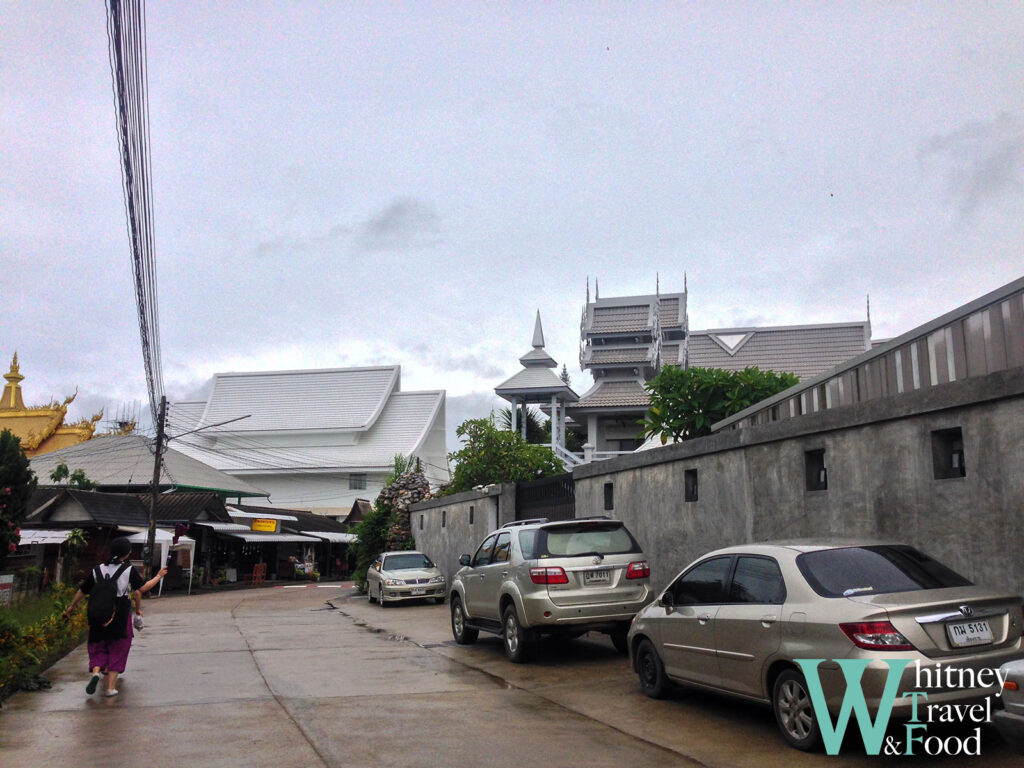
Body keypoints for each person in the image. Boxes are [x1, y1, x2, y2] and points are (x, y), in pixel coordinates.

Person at [62, 538, 167, 697]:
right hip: (119, 612)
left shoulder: (98, 569)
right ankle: (110, 688)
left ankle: (96, 672)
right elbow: (142, 588)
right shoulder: (128, 570)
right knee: (118, 647)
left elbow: (82, 590)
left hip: (97, 612)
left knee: (98, 644)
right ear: (126, 554)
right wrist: (159, 576)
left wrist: (71, 606)